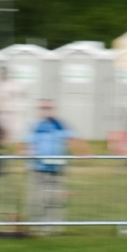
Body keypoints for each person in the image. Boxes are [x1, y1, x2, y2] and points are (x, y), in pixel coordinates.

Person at [27, 99, 85, 235]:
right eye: (43, 108)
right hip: (39, 168)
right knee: (41, 199)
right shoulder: (35, 125)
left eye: (49, 108)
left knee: (56, 199)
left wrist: (82, 152)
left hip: (57, 169)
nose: (46, 111)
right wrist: (28, 153)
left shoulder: (60, 125)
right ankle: (40, 227)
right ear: (39, 110)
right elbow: (27, 143)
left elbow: (72, 139)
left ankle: (56, 227)